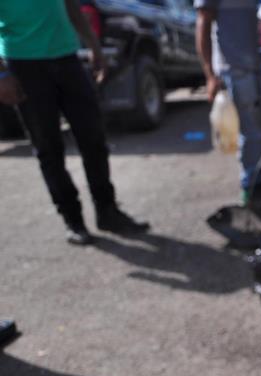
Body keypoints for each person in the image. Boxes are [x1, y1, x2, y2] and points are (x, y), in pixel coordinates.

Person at [0, 0, 149, 245]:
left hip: (67, 58)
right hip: (24, 64)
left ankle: (108, 211)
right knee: (48, 148)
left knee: (94, 138)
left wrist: (94, 45)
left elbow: (71, 5)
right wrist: (2, 74)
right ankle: (73, 221)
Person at [195, 0, 261, 207]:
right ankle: (251, 187)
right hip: (237, 67)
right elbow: (203, 22)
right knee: (252, 130)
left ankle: (258, 180)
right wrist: (210, 74)